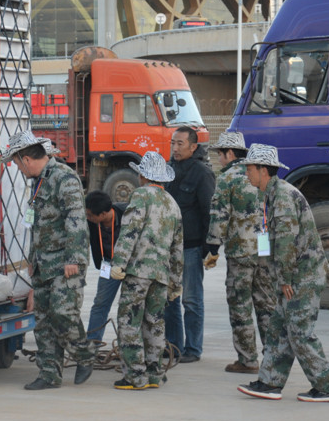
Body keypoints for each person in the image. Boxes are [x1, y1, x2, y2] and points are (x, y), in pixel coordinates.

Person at [236, 144, 329, 402]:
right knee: (279, 330)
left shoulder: (282, 196)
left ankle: (328, 386)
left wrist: (284, 279)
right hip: (294, 275)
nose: (247, 174)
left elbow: (286, 241)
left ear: (263, 170)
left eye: (249, 169)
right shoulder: (270, 195)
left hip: (301, 276)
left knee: (299, 331)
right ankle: (269, 382)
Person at [2, 130, 97, 391]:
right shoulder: (39, 181)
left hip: (65, 262)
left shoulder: (63, 177)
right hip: (43, 263)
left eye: (17, 163)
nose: (18, 169)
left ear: (26, 160)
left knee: (63, 313)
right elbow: (37, 225)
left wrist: (74, 258)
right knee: (43, 321)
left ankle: (85, 354)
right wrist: (32, 259)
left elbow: (76, 219)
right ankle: (49, 374)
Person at [203, 131, 276, 374]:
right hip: (264, 250)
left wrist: (213, 248)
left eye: (220, 154)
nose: (219, 159)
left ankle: (248, 360)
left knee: (240, 306)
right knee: (266, 305)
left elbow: (219, 215)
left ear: (229, 153)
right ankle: (274, 358)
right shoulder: (262, 175)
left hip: (240, 252)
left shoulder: (227, 178)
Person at [109, 151, 183, 390]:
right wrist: (176, 282)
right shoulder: (172, 203)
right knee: (155, 323)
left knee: (129, 321)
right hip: (161, 274)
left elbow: (130, 230)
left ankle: (135, 375)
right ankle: (154, 373)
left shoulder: (141, 195)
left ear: (143, 176)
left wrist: (119, 262)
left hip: (139, 271)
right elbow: (177, 247)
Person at [164, 126, 216, 363]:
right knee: (170, 299)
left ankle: (193, 348)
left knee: (191, 300)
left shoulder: (202, 173)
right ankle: (173, 346)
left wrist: (209, 247)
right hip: (168, 247)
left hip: (191, 247)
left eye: (180, 144)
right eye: (173, 143)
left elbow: (208, 213)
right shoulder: (168, 169)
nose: (175, 148)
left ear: (193, 147)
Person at [84, 190, 128, 343]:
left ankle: (129, 345)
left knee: (129, 306)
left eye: (90, 215)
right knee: (100, 303)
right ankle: (93, 342)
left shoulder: (128, 215)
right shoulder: (92, 222)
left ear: (103, 214)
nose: (88, 218)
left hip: (130, 265)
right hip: (107, 264)